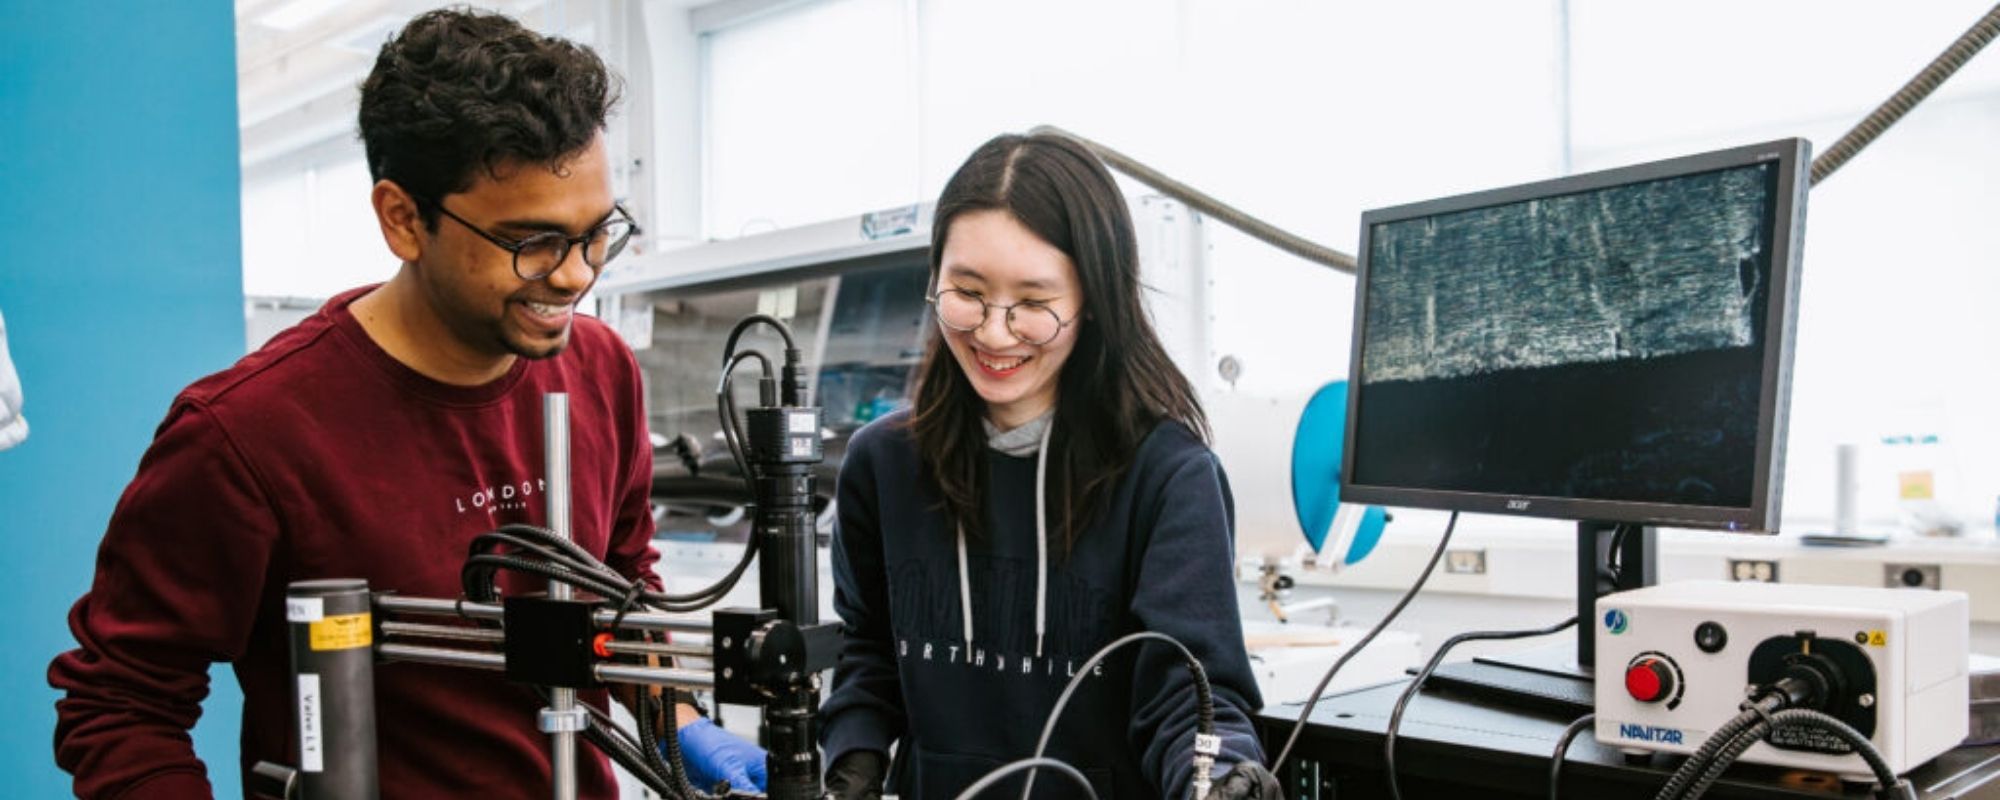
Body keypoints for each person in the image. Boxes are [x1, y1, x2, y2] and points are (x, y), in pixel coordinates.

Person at [48, 9, 759, 798]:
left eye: (598, 234)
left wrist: (679, 720)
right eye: (532, 242)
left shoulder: (601, 372)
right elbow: (120, 700)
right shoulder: (247, 433)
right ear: (403, 218)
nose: (574, 276)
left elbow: (623, 583)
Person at [817, 132, 1284, 799]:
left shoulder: (1167, 476)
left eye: (1034, 304)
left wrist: (1219, 777)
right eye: (967, 292)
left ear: (1091, 299)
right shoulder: (882, 465)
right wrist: (852, 759)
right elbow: (868, 654)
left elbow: (1189, 693)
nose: (994, 332)